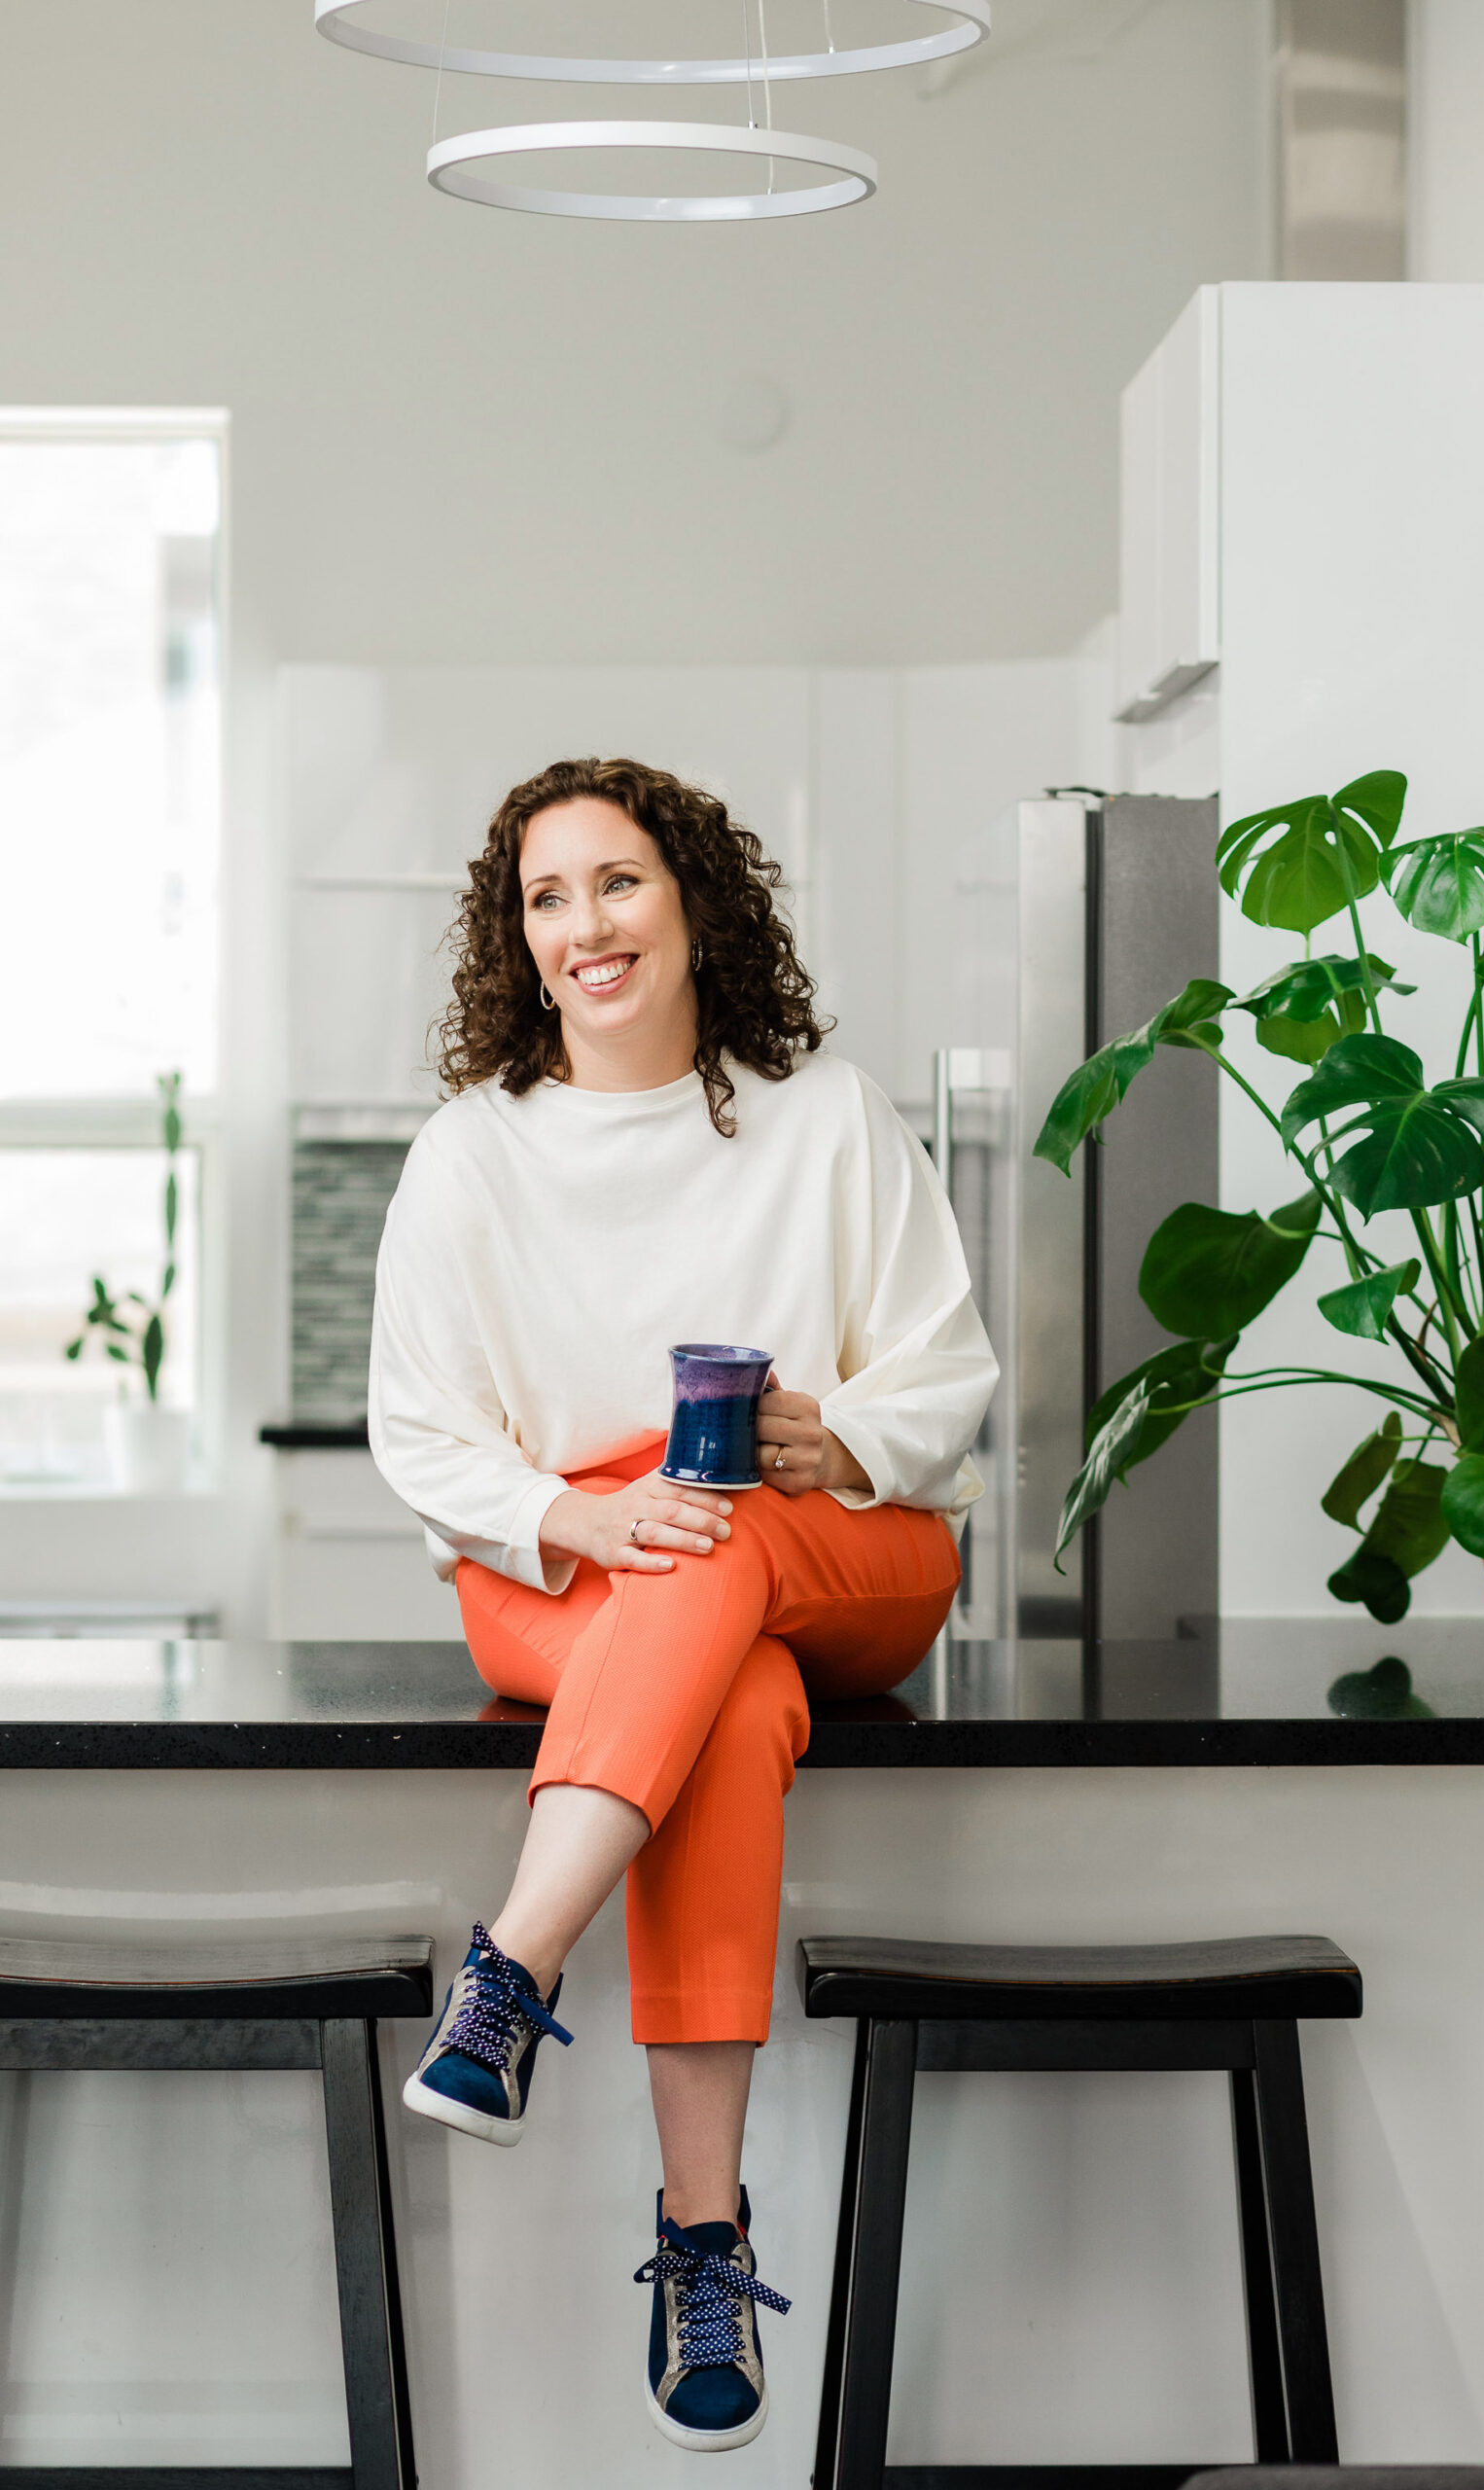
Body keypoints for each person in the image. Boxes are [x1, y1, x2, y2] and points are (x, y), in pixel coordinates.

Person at [368, 755, 997, 2452]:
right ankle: (702, 2235)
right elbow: (421, 1435)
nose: (585, 926)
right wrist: (578, 1508)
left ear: (694, 901)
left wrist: (835, 1431)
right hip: (569, 1571)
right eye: (547, 897)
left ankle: (518, 1968)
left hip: (835, 1549)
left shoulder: (826, 1117)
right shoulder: (470, 1156)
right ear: (521, 939)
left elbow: (951, 1376)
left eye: (618, 882)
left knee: (715, 1544)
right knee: (723, 1698)